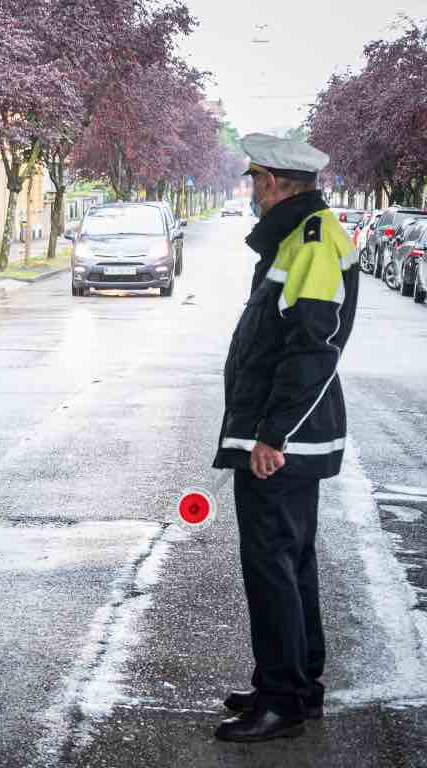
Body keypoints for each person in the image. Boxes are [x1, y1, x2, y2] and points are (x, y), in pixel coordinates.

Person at [212, 134, 358, 743]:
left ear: (273, 181)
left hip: (282, 441)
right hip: (285, 437)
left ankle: (283, 703)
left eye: (253, 181)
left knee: (272, 566)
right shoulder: (304, 235)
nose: (250, 192)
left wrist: (273, 436)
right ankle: (296, 682)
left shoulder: (312, 240)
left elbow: (312, 348)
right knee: (291, 563)